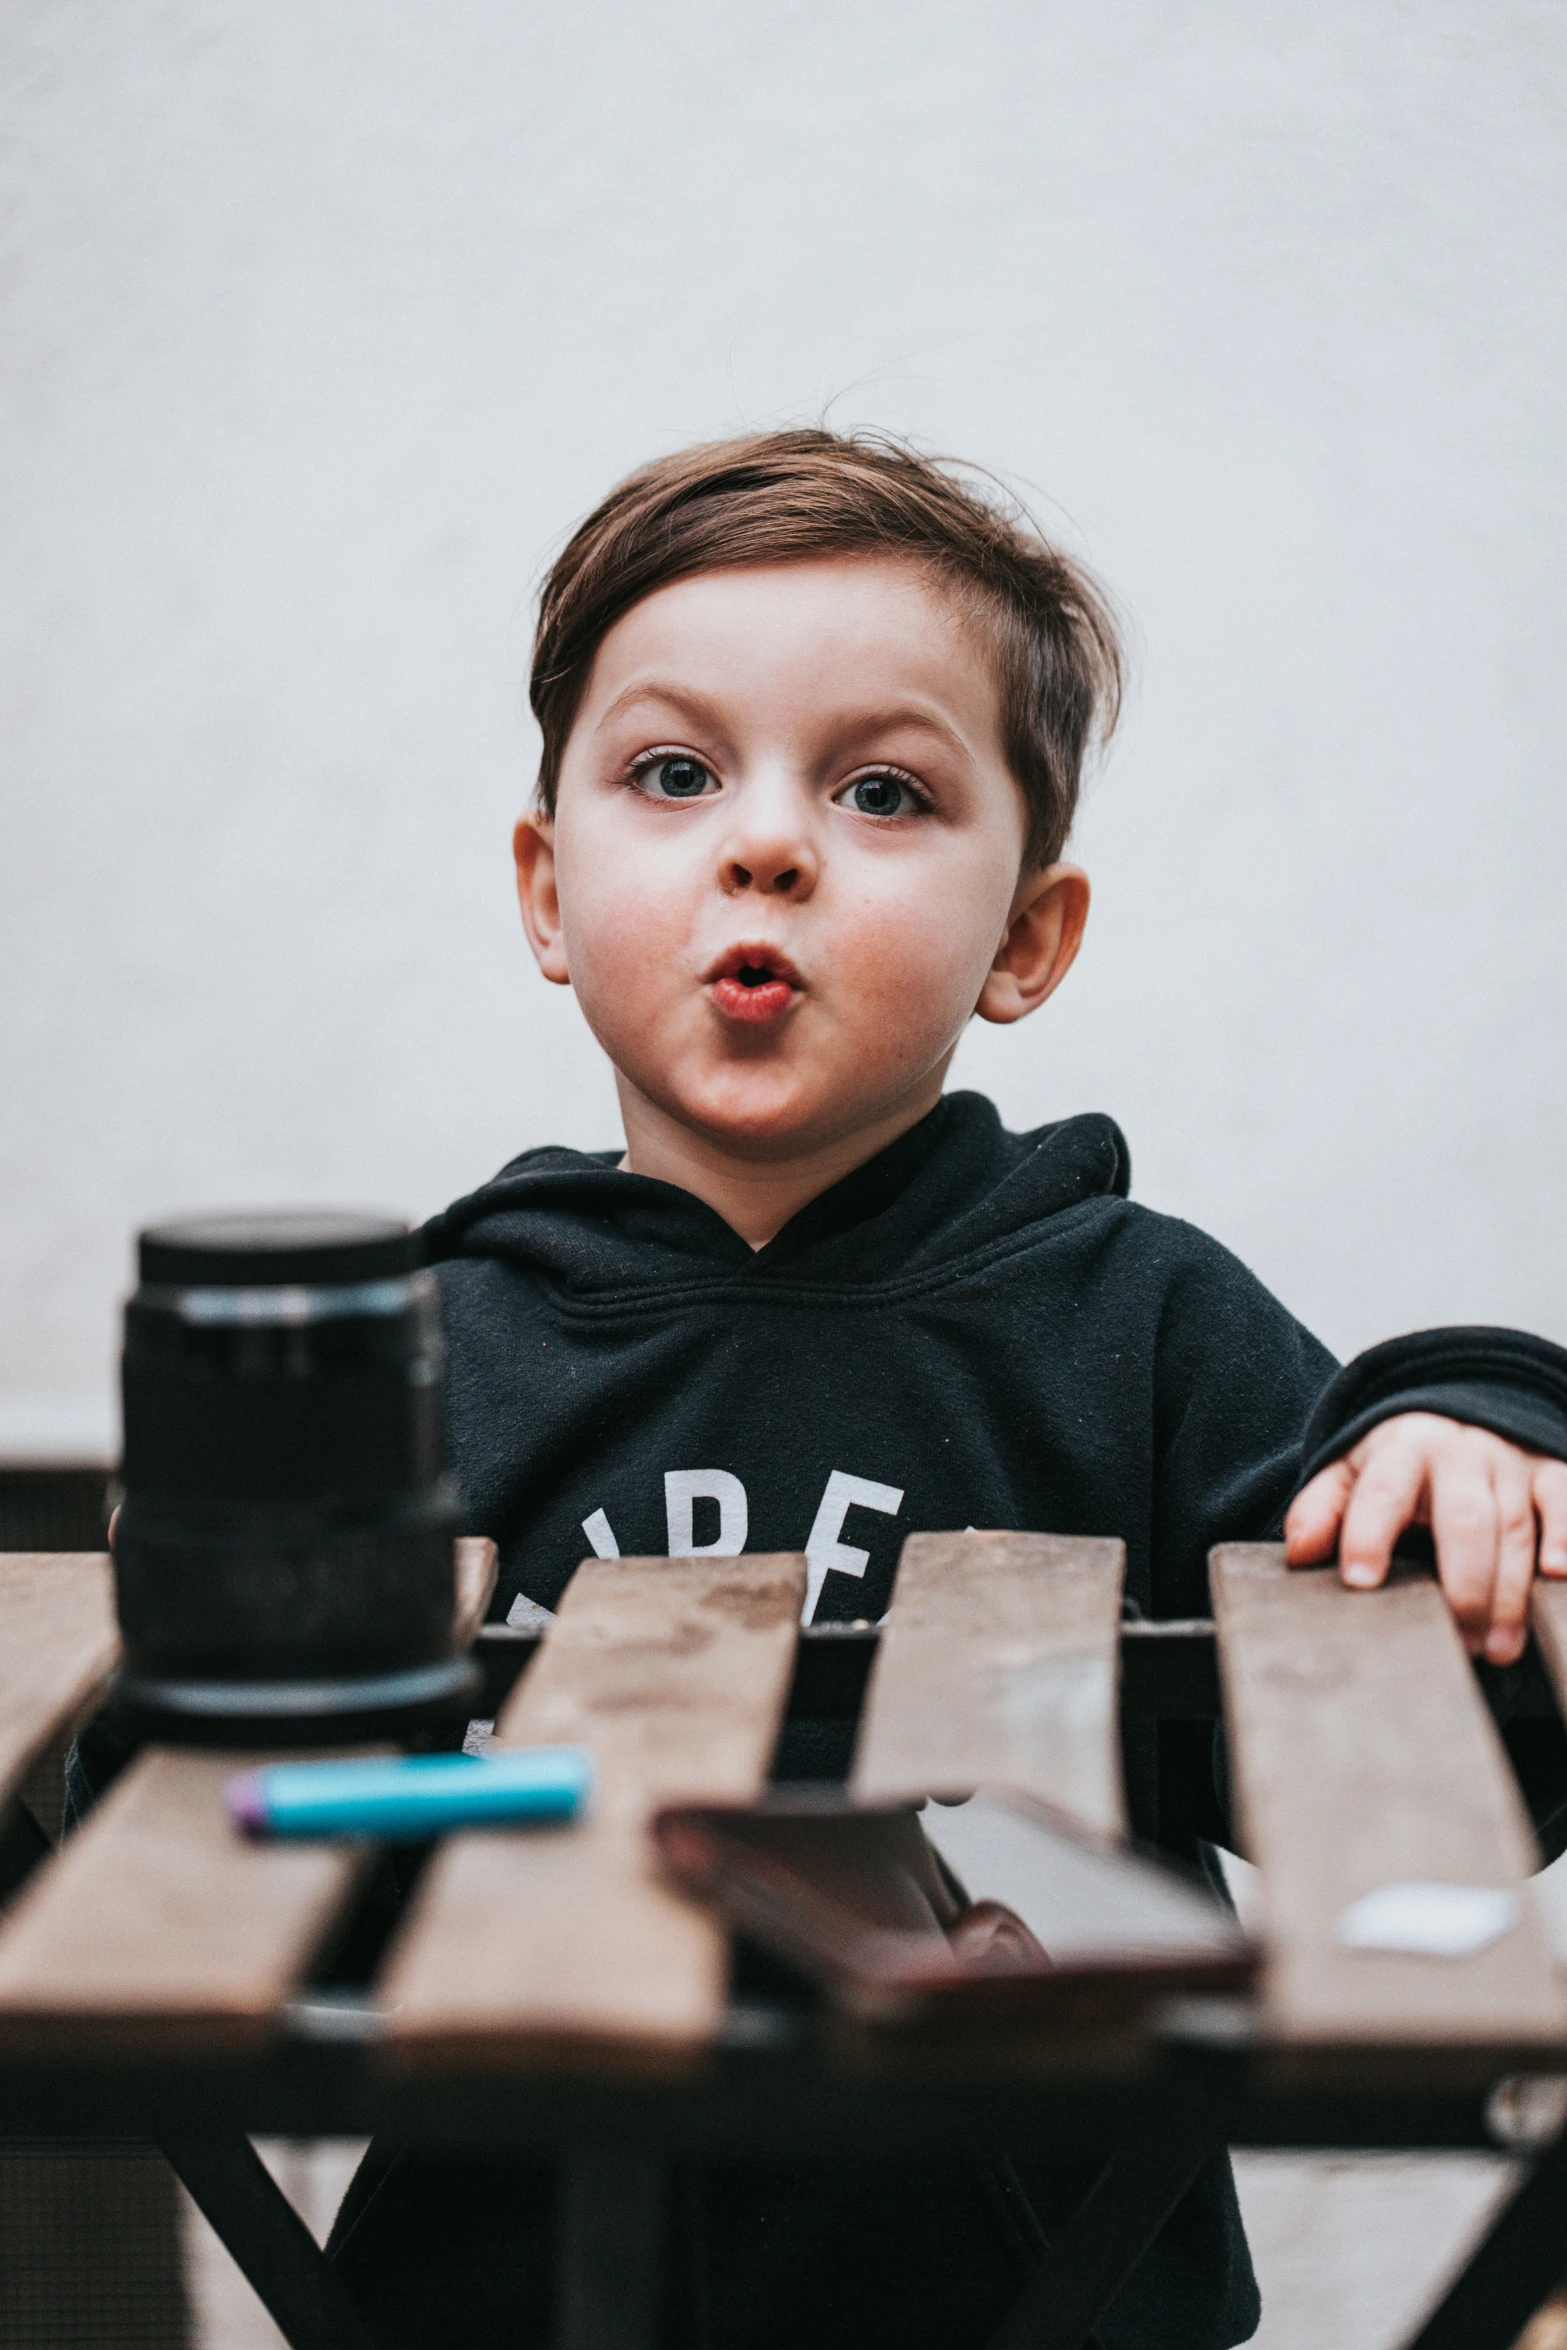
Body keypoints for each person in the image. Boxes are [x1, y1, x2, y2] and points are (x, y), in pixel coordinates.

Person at [324, 430, 1567, 2349]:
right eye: (672, 771)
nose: (766, 842)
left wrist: (1478, 1426)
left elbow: (1448, 1790)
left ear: (1029, 938)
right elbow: (156, 1866)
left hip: (1042, 2293)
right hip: (499, 2288)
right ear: (547, 888)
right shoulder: (414, 1343)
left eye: (882, 788)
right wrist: (211, 1632)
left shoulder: (1136, 1317)